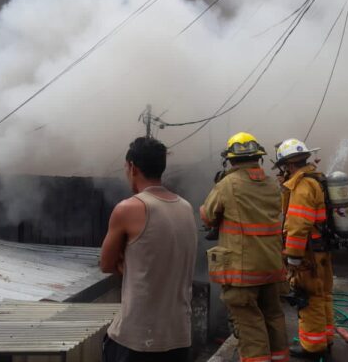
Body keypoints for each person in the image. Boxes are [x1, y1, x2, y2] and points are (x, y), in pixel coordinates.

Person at [100, 137, 198, 362]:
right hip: (179, 337)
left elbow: (105, 264)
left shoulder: (129, 208)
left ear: (132, 167)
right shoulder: (185, 207)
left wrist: (126, 262)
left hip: (136, 339)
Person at [201, 132, 289, 362]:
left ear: (230, 160)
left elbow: (208, 216)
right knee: (273, 315)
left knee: (249, 322)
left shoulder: (227, 185)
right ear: (258, 158)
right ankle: (280, 358)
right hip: (272, 266)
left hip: (243, 271)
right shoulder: (273, 184)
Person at [274, 138, 334, 360]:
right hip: (321, 249)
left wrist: (293, 259)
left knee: (308, 298)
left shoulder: (302, 187)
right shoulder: (317, 179)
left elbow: (298, 226)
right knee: (323, 294)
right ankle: (326, 339)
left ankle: (313, 347)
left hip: (307, 253)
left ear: (288, 165)